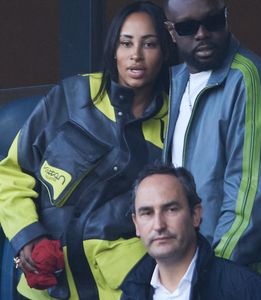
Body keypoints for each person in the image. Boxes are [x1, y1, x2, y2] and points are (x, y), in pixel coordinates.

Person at [0, 2, 174, 299]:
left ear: (164, 52)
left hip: (118, 290)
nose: (136, 55)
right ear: (113, 50)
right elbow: (13, 172)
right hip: (43, 284)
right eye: (126, 43)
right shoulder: (72, 97)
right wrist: (29, 235)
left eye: (150, 44)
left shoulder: (174, 123)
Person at [161, 0, 261, 298]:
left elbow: (250, 195)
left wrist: (210, 275)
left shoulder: (247, 79)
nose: (202, 33)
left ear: (227, 17)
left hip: (248, 270)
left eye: (212, 22)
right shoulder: (177, 82)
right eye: (187, 27)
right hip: (198, 269)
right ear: (171, 31)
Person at [120, 164, 261, 300]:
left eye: (171, 209)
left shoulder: (245, 290)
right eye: (147, 213)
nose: (158, 225)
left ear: (195, 215)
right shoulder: (132, 293)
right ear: (136, 224)